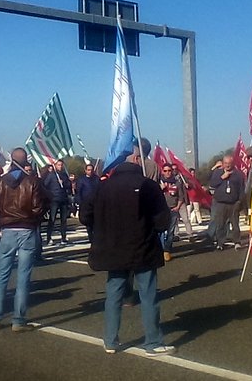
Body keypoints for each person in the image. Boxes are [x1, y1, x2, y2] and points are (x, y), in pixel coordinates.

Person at [82, 144, 174, 356]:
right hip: (142, 247)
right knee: (148, 295)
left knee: (114, 294)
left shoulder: (101, 187)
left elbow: (85, 216)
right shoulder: (147, 185)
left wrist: (102, 226)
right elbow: (162, 220)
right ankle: (152, 342)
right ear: (135, 160)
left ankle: (110, 340)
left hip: (113, 248)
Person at [0, 147, 46, 332]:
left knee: (2, 275)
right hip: (26, 231)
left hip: (7, 231)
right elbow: (39, 208)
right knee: (23, 277)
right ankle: (18, 320)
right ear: (26, 162)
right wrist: (31, 221)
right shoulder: (33, 182)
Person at [206, 155, 245, 250]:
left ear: (232, 164)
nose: (227, 166)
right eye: (226, 163)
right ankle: (220, 243)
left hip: (234, 203)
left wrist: (240, 201)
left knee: (235, 224)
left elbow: (241, 189)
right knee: (221, 224)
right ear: (223, 164)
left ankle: (237, 242)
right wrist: (222, 178)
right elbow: (212, 184)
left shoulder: (238, 174)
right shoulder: (217, 173)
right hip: (220, 203)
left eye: (229, 163)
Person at [158, 164, 185, 262]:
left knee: (170, 231)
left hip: (173, 209)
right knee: (160, 231)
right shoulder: (158, 182)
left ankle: (167, 250)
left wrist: (177, 207)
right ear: (162, 171)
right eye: (165, 171)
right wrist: (160, 188)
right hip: (161, 210)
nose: (167, 172)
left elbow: (181, 196)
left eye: (169, 170)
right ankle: (159, 249)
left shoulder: (177, 182)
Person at [43, 159, 71, 246]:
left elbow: (69, 186)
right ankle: (49, 237)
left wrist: (64, 183)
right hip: (54, 200)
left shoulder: (64, 175)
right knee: (52, 219)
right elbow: (45, 185)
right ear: (55, 166)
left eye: (61, 165)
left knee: (64, 220)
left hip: (63, 199)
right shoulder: (51, 175)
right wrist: (49, 196)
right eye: (58, 165)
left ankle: (63, 237)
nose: (60, 166)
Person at [75, 163, 100, 243]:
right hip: (86, 205)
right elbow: (78, 192)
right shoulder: (81, 180)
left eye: (91, 170)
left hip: (96, 204)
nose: (90, 171)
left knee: (96, 222)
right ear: (85, 171)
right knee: (88, 223)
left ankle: (96, 237)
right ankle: (91, 238)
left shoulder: (96, 179)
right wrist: (80, 203)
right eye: (88, 170)